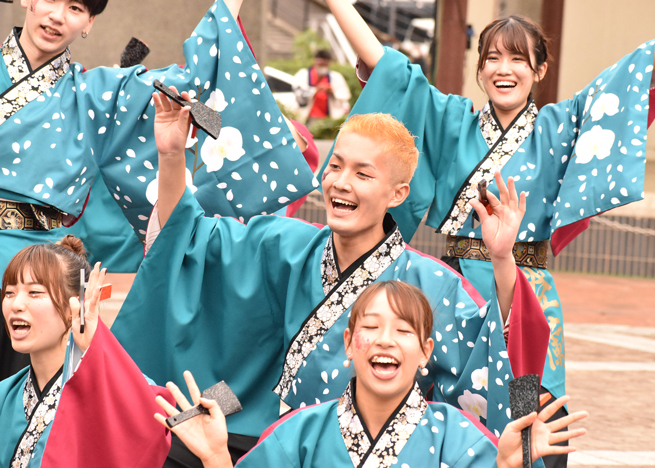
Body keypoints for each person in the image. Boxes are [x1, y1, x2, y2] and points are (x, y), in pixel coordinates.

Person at [321, 3, 655, 463]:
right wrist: (340, 4)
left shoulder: (560, 127)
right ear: (479, 70)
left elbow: (633, 71)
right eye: (493, 59)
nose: (505, 69)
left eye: (519, 59)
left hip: (526, 288)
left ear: (539, 69)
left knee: (530, 405)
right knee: (448, 399)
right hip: (455, 288)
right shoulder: (449, 119)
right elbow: (390, 70)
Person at [110, 85, 550, 464]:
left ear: (398, 193)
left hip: (371, 448)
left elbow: (501, 353)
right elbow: (185, 242)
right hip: (269, 428)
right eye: (335, 166)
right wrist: (171, 156)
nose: (340, 182)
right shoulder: (283, 243)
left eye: (363, 173)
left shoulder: (433, 284)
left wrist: (502, 259)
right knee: (162, 434)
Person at [0, 0, 317, 380]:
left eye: (75, 8)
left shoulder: (97, 94)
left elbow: (190, 85)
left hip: (39, 273)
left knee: (23, 403)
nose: (56, 16)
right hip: (39, 269)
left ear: (89, 23)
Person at [156, 281, 588, 468]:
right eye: (371, 328)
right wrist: (215, 458)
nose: (385, 340)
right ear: (347, 344)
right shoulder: (301, 433)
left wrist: (508, 466)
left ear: (426, 353)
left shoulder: (457, 436)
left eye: (403, 331)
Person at [0, 236, 174, 467]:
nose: (16, 304)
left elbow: (152, 424)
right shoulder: (5, 394)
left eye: (34, 293)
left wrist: (96, 345)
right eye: (9, 293)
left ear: (76, 306)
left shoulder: (112, 389)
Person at [293, 49, 351, 124]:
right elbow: (299, 94)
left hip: (329, 118)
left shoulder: (336, 77)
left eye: (325, 64)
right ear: (315, 61)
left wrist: (332, 92)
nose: (323, 66)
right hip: (308, 118)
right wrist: (316, 89)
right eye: (320, 63)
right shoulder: (303, 74)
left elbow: (345, 96)